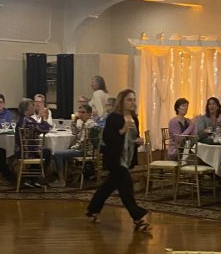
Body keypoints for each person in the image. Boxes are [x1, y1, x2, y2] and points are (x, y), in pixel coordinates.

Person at [87, 88, 150, 232]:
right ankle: (137, 218)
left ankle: (93, 209)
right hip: (116, 159)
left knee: (108, 186)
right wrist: (121, 131)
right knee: (126, 188)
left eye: (134, 99)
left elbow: (133, 138)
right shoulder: (114, 117)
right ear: (122, 101)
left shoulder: (134, 118)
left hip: (126, 158)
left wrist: (138, 141)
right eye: (129, 99)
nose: (132, 102)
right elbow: (109, 138)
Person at [50, 103, 98, 186]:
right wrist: (74, 121)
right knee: (64, 150)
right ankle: (74, 171)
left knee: (57, 154)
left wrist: (73, 148)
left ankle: (61, 180)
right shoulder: (83, 123)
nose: (80, 114)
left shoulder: (90, 125)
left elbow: (83, 142)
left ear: (89, 114)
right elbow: (75, 133)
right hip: (82, 148)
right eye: (79, 112)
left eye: (83, 112)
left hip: (85, 151)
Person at [15, 97, 51, 187]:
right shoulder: (28, 121)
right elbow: (45, 129)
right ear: (27, 109)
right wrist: (43, 118)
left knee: (42, 150)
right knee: (47, 152)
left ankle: (31, 179)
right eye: (32, 106)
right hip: (29, 152)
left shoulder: (20, 119)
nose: (34, 108)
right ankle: (37, 178)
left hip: (19, 150)